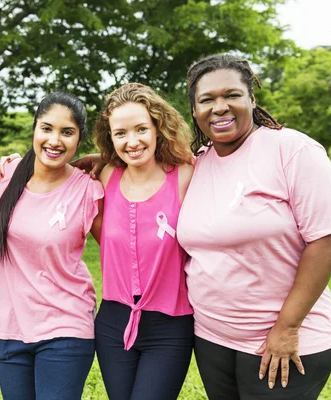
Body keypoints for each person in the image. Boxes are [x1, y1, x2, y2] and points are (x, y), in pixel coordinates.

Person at [177, 53, 331, 400]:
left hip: (286, 340)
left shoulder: (293, 150)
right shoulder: (198, 162)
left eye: (232, 95)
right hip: (213, 338)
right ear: (195, 111)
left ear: (252, 100)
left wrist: (287, 327)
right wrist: (99, 161)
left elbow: (329, 239)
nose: (219, 107)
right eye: (206, 99)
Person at [0, 92, 103, 400]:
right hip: (7, 329)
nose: (54, 140)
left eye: (67, 132)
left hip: (65, 330)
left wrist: (107, 160)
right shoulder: (6, 174)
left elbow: (119, 249)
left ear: (80, 140)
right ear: (34, 129)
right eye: (47, 128)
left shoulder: (88, 190)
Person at [92, 83, 195, 400]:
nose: (132, 141)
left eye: (141, 129)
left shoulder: (186, 175)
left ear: (158, 128)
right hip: (112, 323)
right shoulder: (106, 176)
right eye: (120, 133)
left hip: (170, 326)